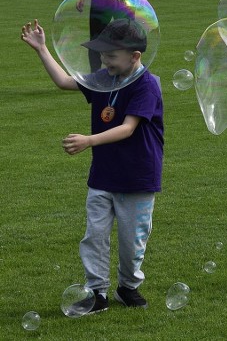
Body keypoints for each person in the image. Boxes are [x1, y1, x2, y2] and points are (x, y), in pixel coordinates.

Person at [20, 17, 165, 313]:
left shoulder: (146, 85)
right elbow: (64, 82)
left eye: (111, 55)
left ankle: (128, 287)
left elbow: (127, 128)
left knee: (132, 239)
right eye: (102, 54)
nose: (104, 60)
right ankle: (97, 292)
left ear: (134, 56)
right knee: (94, 235)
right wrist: (41, 49)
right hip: (103, 175)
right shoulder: (104, 78)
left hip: (137, 177)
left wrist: (89, 140)